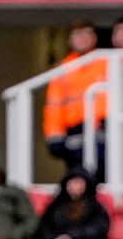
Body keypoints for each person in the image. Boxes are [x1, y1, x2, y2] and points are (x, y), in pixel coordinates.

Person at [44, 20, 106, 175]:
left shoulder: (106, 62)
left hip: (104, 129)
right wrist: (55, 136)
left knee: (105, 173)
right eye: (78, 34)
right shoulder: (63, 69)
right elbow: (54, 105)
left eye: (87, 33)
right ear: (70, 39)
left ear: (95, 37)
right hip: (74, 132)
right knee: (78, 177)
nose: (82, 38)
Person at [33, 167, 110, 239]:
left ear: (86, 185)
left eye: (78, 182)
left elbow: (98, 231)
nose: (74, 186)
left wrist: (72, 237)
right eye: (72, 182)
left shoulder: (95, 207)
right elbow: (42, 229)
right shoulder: (56, 205)